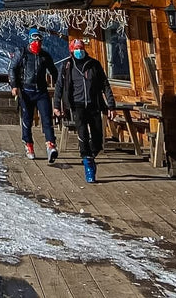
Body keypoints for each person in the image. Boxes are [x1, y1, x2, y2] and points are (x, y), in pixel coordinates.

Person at [54, 35, 117, 183]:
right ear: (71, 51)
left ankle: (91, 157)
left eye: (81, 49)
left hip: (94, 104)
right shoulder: (67, 66)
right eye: (76, 49)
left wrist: (111, 105)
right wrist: (57, 105)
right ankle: (88, 164)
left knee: (97, 139)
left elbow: (105, 85)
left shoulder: (94, 64)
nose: (79, 51)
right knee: (82, 134)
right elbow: (59, 87)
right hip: (77, 105)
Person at [8, 27, 58, 163]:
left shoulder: (45, 55)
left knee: (47, 118)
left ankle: (50, 145)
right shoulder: (22, 53)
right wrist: (14, 86)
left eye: (39, 40)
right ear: (30, 40)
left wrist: (60, 86)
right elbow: (12, 69)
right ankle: (28, 144)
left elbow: (54, 71)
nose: (37, 43)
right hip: (26, 91)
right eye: (35, 39)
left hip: (41, 91)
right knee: (27, 119)